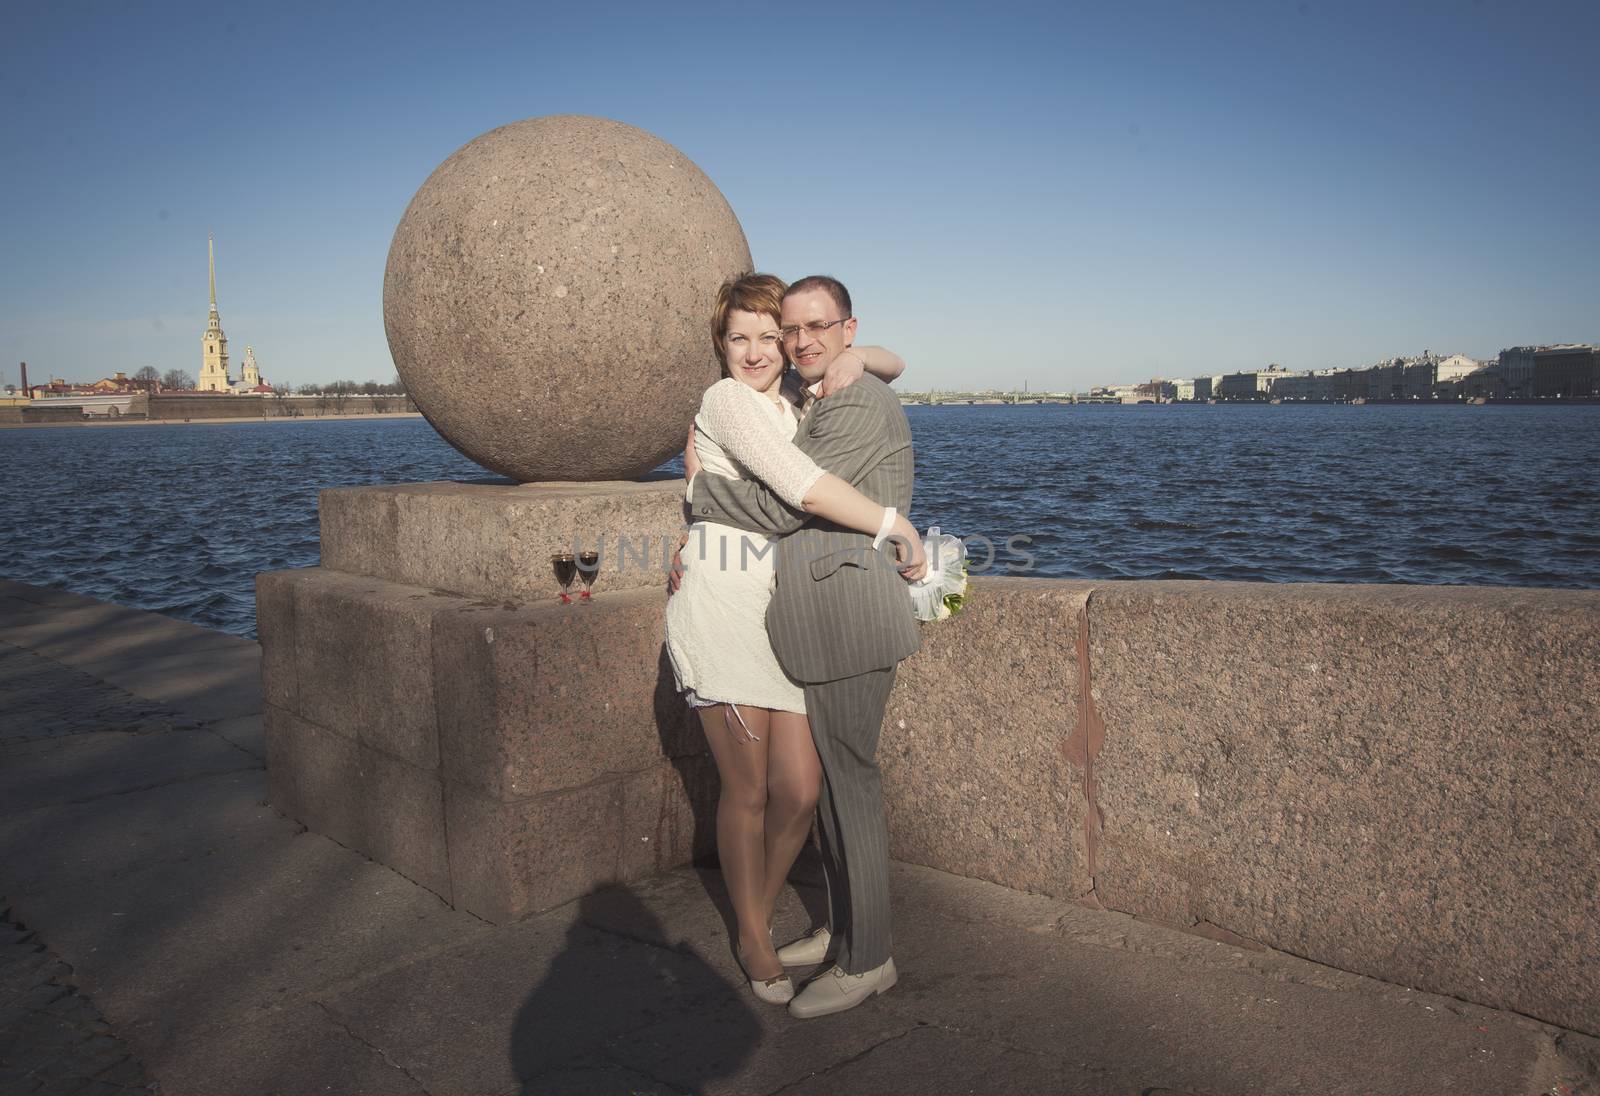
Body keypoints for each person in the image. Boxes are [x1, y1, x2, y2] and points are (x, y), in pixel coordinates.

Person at [664, 273, 925, 1006]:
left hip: (781, 612)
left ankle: (773, 911)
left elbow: (889, 363)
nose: (756, 351)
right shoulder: (726, 402)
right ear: (720, 346)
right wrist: (889, 523)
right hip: (724, 604)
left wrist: (862, 356)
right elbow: (796, 498)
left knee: (802, 790)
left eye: (766, 336)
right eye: (737, 338)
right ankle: (752, 932)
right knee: (747, 790)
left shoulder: (799, 401)